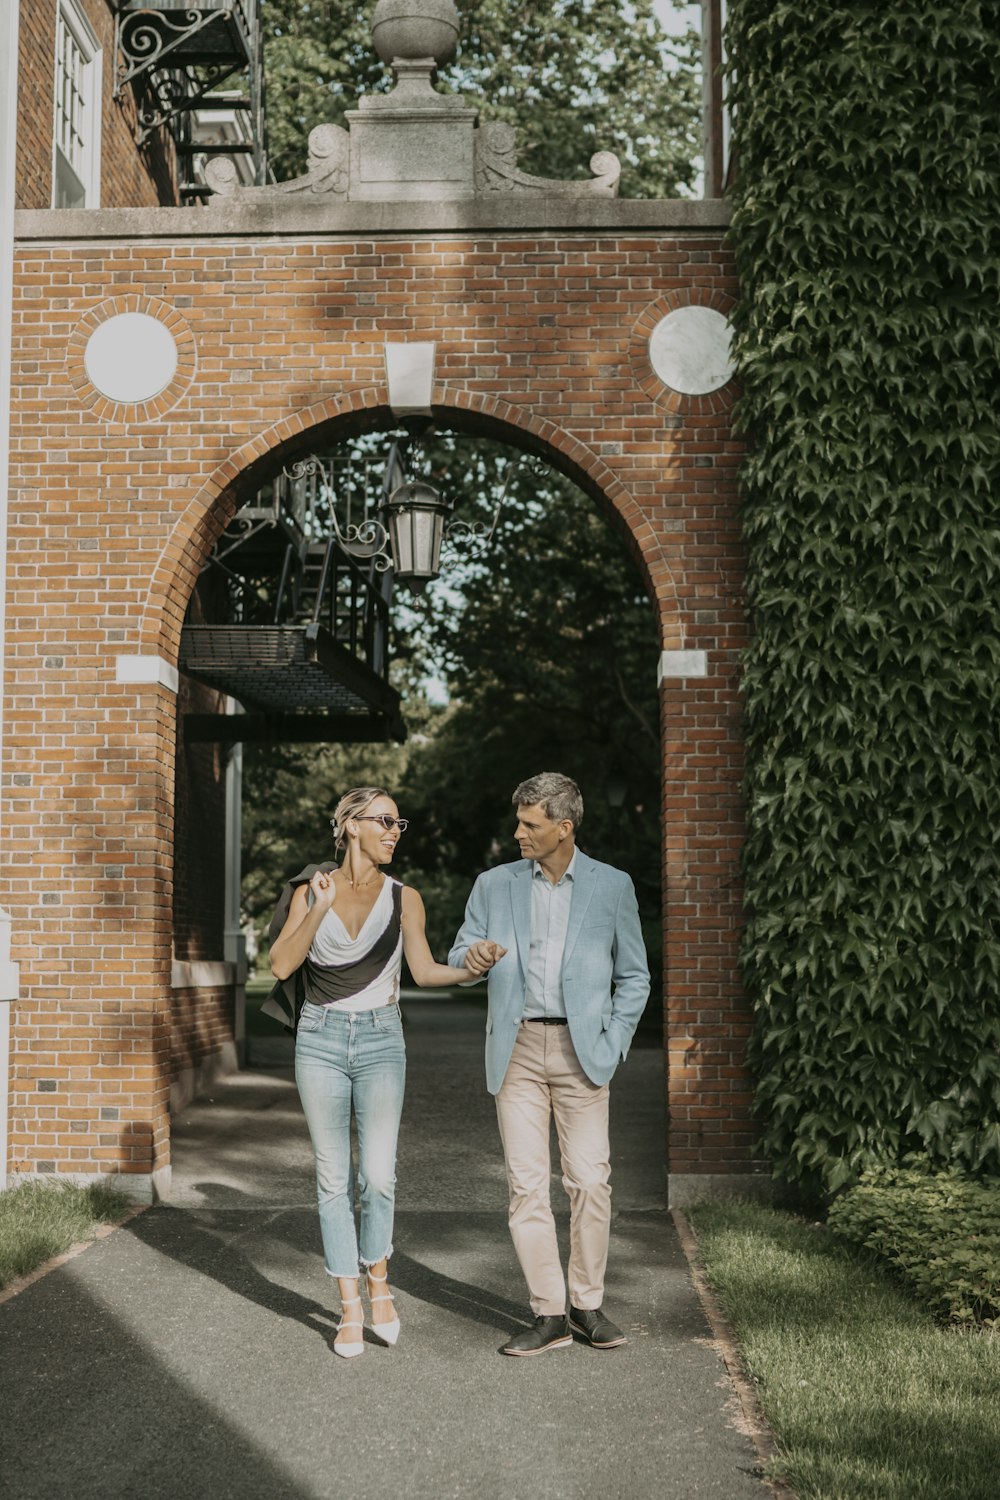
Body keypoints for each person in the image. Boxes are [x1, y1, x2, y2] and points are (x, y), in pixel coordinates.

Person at [269, 785, 503, 1359]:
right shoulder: (310, 890)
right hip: (319, 1039)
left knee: (377, 1176)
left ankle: (379, 1284)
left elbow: (424, 972)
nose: (396, 831)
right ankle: (349, 1307)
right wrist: (318, 908)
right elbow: (279, 963)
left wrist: (471, 970)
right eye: (385, 821)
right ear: (351, 826)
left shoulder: (406, 899)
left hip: (380, 1039)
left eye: (400, 824)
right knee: (332, 1177)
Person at [449, 772, 649, 1357]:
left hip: (584, 1052)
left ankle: (588, 1303)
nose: (518, 833)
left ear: (564, 828)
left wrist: (614, 1043)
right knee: (527, 1186)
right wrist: (475, 955)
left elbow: (634, 976)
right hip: (515, 1052)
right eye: (519, 822)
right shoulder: (494, 884)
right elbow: (461, 947)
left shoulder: (612, 887)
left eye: (530, 824)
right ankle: (550, 1314)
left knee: (589, 1180)